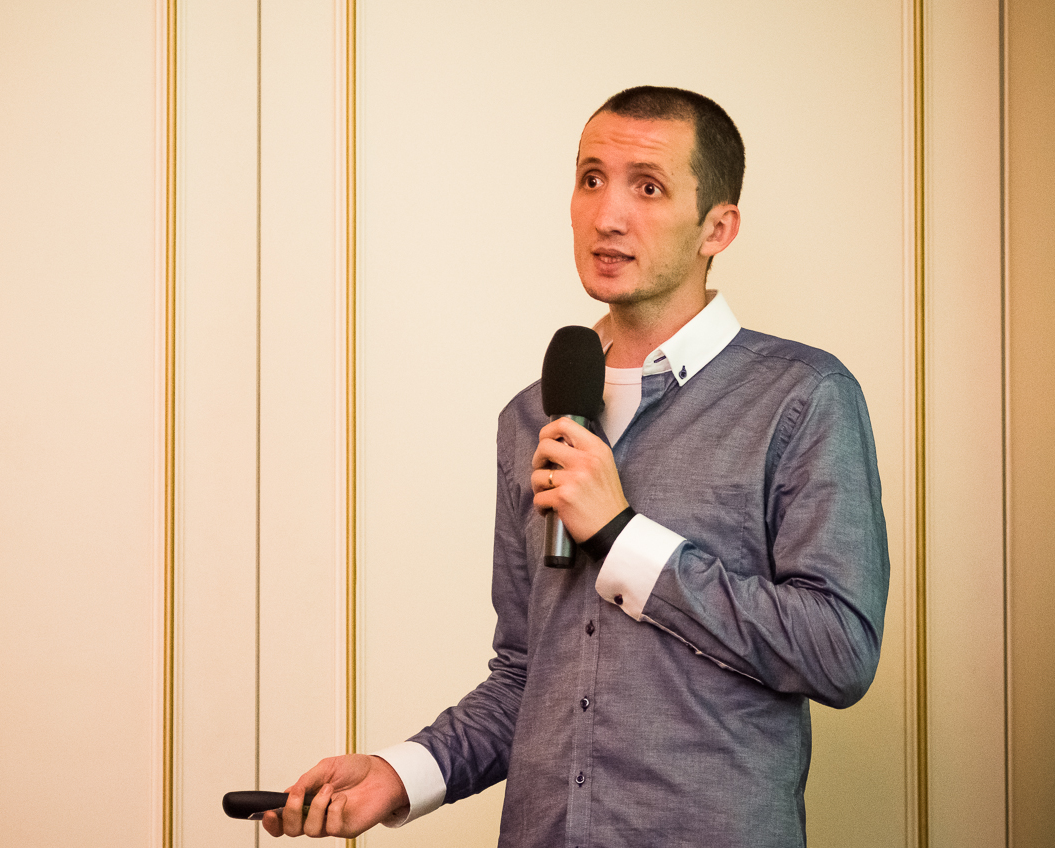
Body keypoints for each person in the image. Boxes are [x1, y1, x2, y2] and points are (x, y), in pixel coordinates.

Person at [263, 86, 890, 847]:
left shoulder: (802, 397)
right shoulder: (530, 415)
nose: (608, 215)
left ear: (717, 228)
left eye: (648, 187)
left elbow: (838, 652)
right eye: (591, 179)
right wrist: (400, 775)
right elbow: (527, 674)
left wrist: (622, 534)